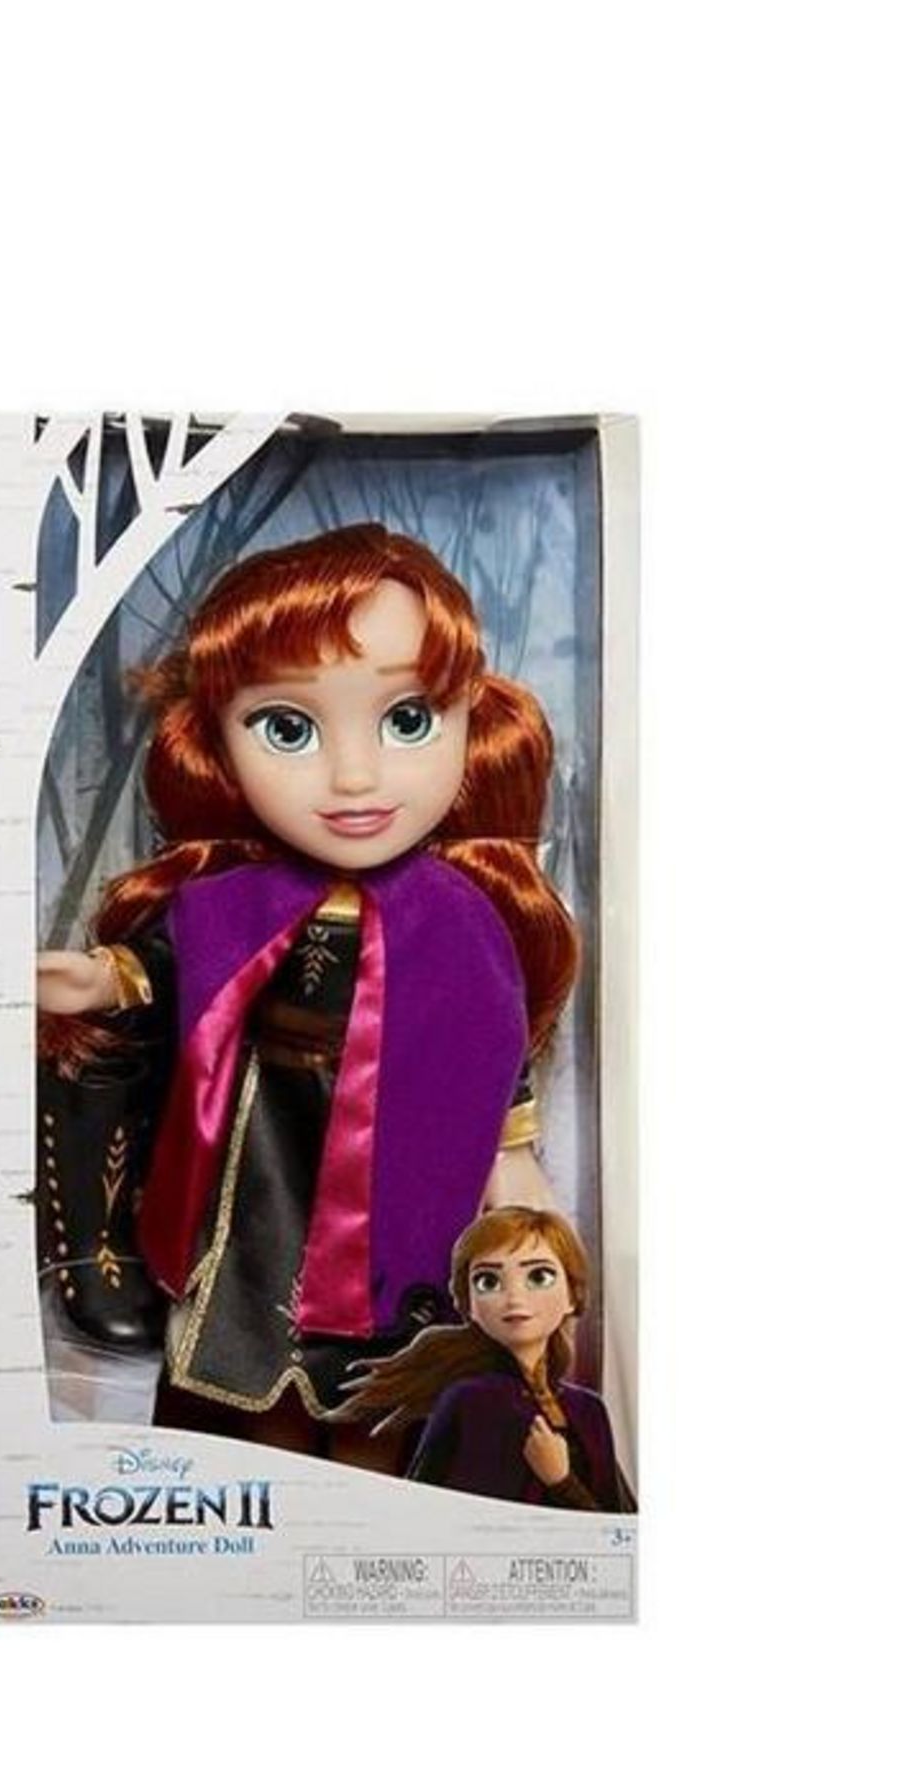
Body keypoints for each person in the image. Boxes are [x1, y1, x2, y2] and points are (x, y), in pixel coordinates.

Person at [36, 525, 578, 1466]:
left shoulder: (458, 916)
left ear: (470, 718)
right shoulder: (237, 900)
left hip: (405, 1157)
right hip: (266, 1157)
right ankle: (266, 1483)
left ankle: (379, 1497)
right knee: (254, 1372)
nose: (355, 776)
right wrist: (100, 979)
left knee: (386, 1383)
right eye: (288, 729)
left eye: (409, 719)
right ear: (219, 742)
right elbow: (175, 967)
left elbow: (489, 1043)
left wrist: (513, 1161)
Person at [334, 1207, 631, 1511]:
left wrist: (561, 1481)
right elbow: (447, 1517)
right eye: (488, 1281)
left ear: (572, 1295)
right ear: (470, 1306)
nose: (514, 1298)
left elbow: (618, 1528)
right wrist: (561, 1483)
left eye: (539, 1276)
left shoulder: (589, 1410)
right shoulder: (474, 1402)